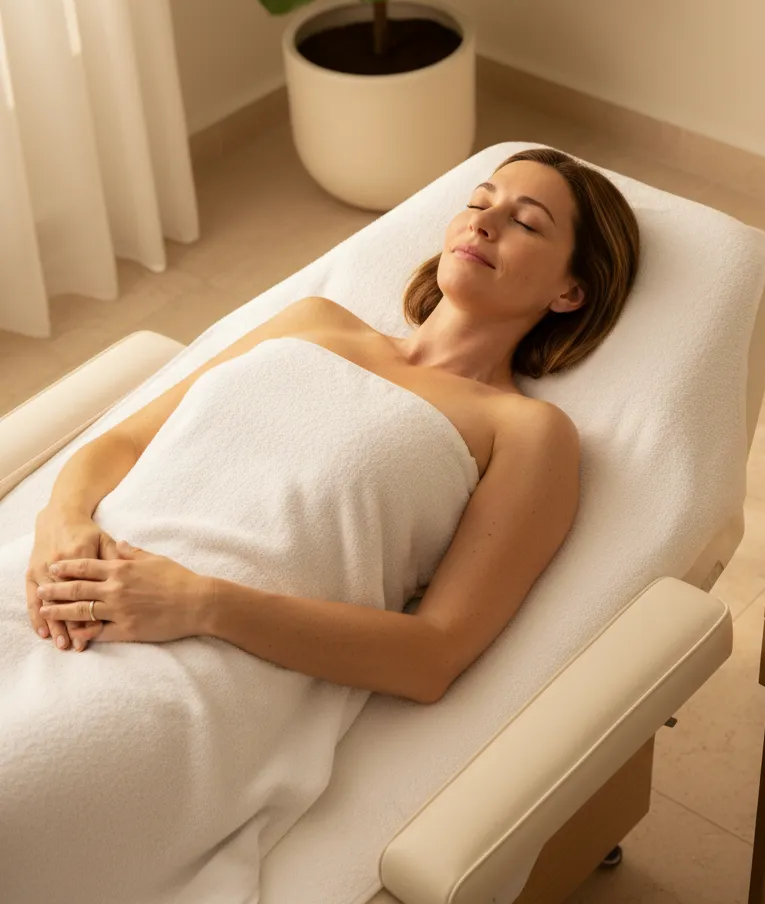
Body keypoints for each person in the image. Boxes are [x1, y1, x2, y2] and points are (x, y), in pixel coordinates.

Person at [23, 147, 641, 697]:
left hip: (201, 667)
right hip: (56, 578)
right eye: (480, 202)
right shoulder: (313, 321)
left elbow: (434, 654)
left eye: (526, 222)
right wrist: (61, 522)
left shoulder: (527, 430)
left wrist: (199, 604)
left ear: (569, 292)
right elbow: (127, 440)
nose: (483, 221)